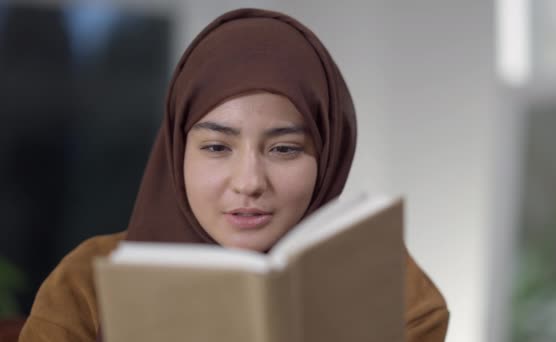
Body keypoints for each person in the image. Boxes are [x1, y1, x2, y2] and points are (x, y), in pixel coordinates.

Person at [18, 8, 449, 342]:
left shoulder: (395, 293)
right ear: (176, 153)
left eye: (284, 149)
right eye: (217, 147)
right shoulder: (90, 282)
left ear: (329, 155)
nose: (249, 182)